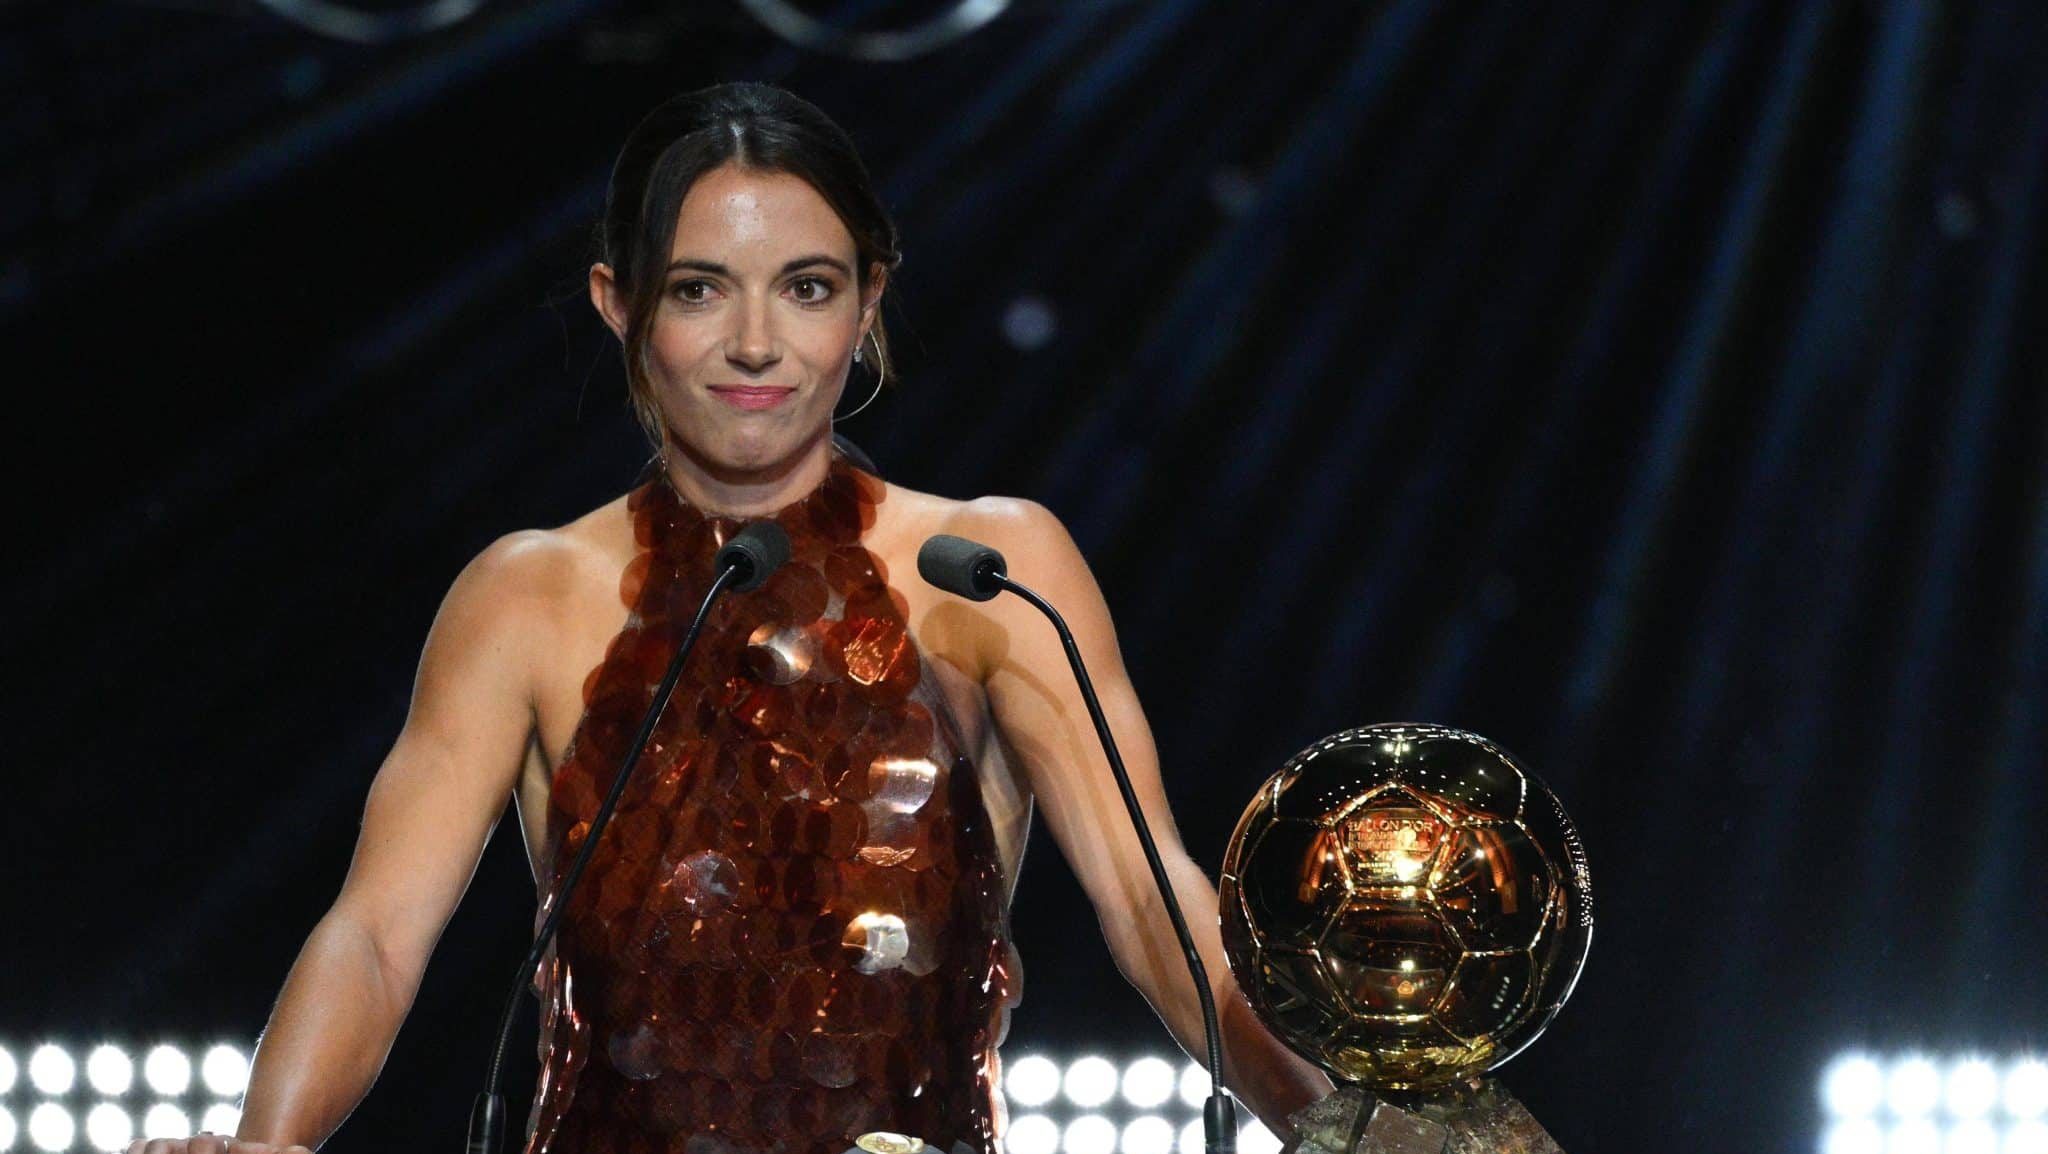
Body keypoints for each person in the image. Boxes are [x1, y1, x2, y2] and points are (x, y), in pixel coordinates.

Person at [131, 81, 1332, 1154]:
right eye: (699, 290)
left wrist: (1337, 1132)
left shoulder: (992, 566)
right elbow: (379, 933)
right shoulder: (525, 592)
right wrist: (266, 1141)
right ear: (618, 301)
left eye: (805, 287)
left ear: (868, 300)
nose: (754, 343)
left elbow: (1145, 899)